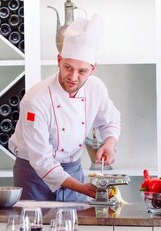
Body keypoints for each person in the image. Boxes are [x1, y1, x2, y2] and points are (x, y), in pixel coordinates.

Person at [8, 14, 121, 202]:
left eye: (82, 71)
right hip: (33, 175)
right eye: (68, 67)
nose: (73, 77)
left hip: (73, 169)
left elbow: (110, 120)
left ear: (93, 68)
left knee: (73, 228)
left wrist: (109, 143)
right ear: (59, 60)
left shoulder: (96, 88)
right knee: (34, 228)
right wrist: (83, 189)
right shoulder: (35, 100)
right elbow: (41, 161)